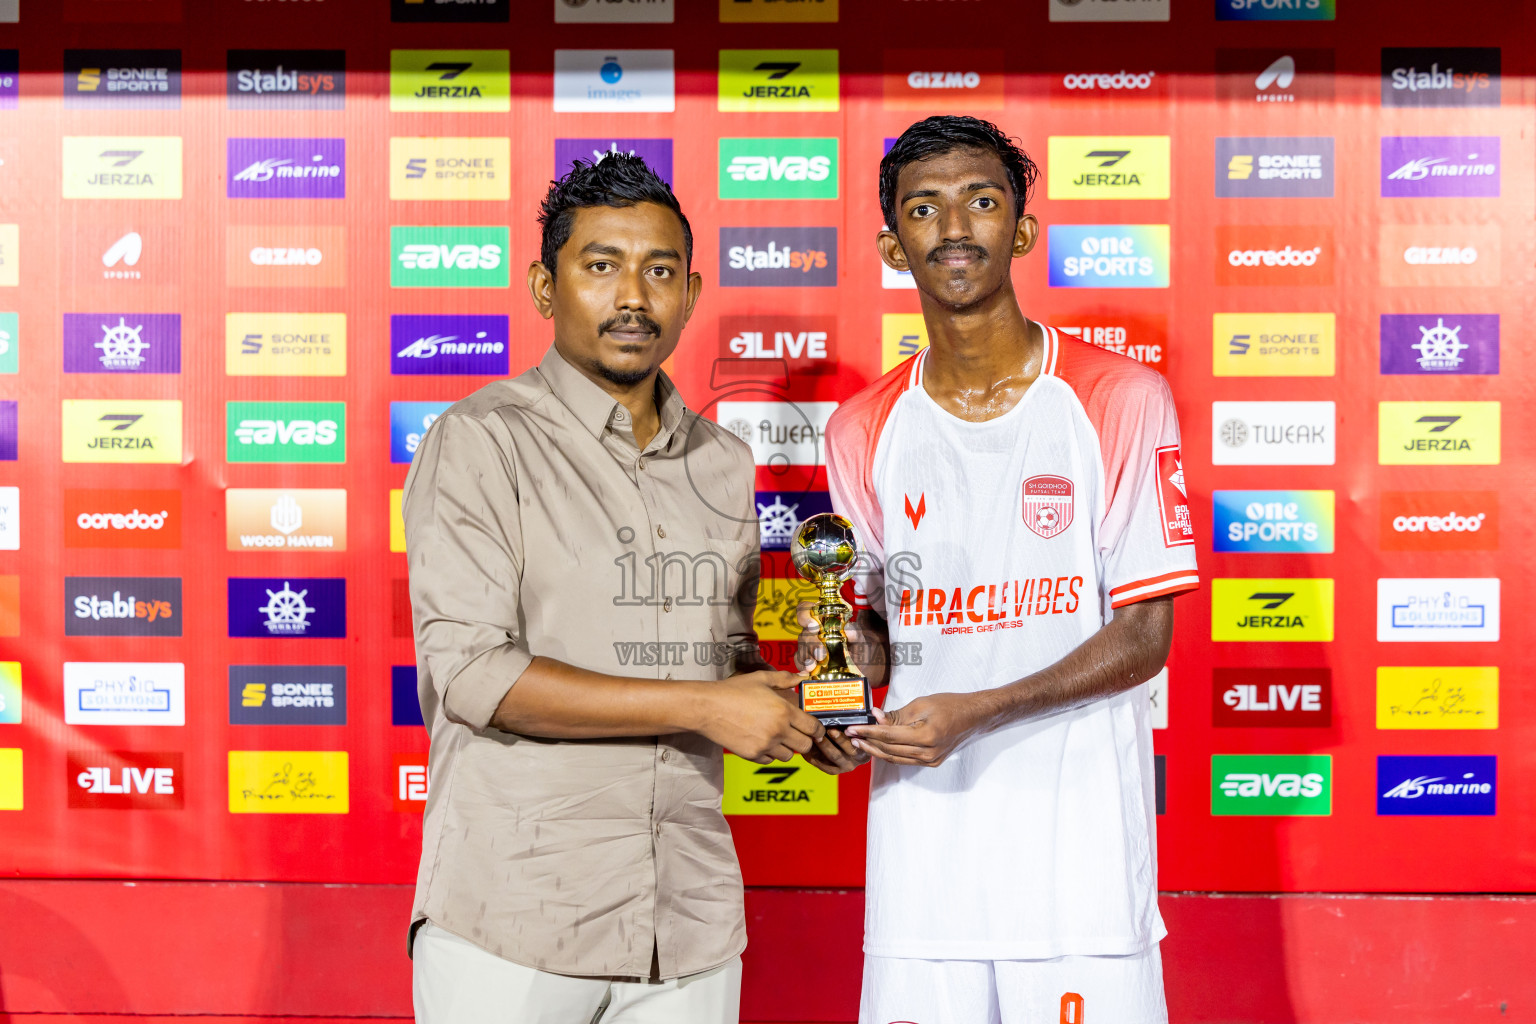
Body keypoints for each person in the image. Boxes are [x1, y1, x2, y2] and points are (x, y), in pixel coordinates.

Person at [402, 153, 840, 1023]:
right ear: (543, 284)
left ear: (692, 290)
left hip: (688, 924)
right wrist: (711, 709)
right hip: (516, 921)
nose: (633, 295)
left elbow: (723, 665)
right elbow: (477, 679)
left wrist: (812, 698)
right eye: (601, 266)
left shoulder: (724, 461)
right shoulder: (480, 441)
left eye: (660, 270)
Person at [806, 116, 1200, 1024]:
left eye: (981, 202)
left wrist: (978, 711)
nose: (954, 228)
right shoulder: (861, 427)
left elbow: (1145, 638)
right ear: (891, 241)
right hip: (923, 875)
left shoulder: (1118, 398)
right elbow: (871, 628)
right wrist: (838, 689)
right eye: (924, 208)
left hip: (1080, 875)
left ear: (1021, 230)